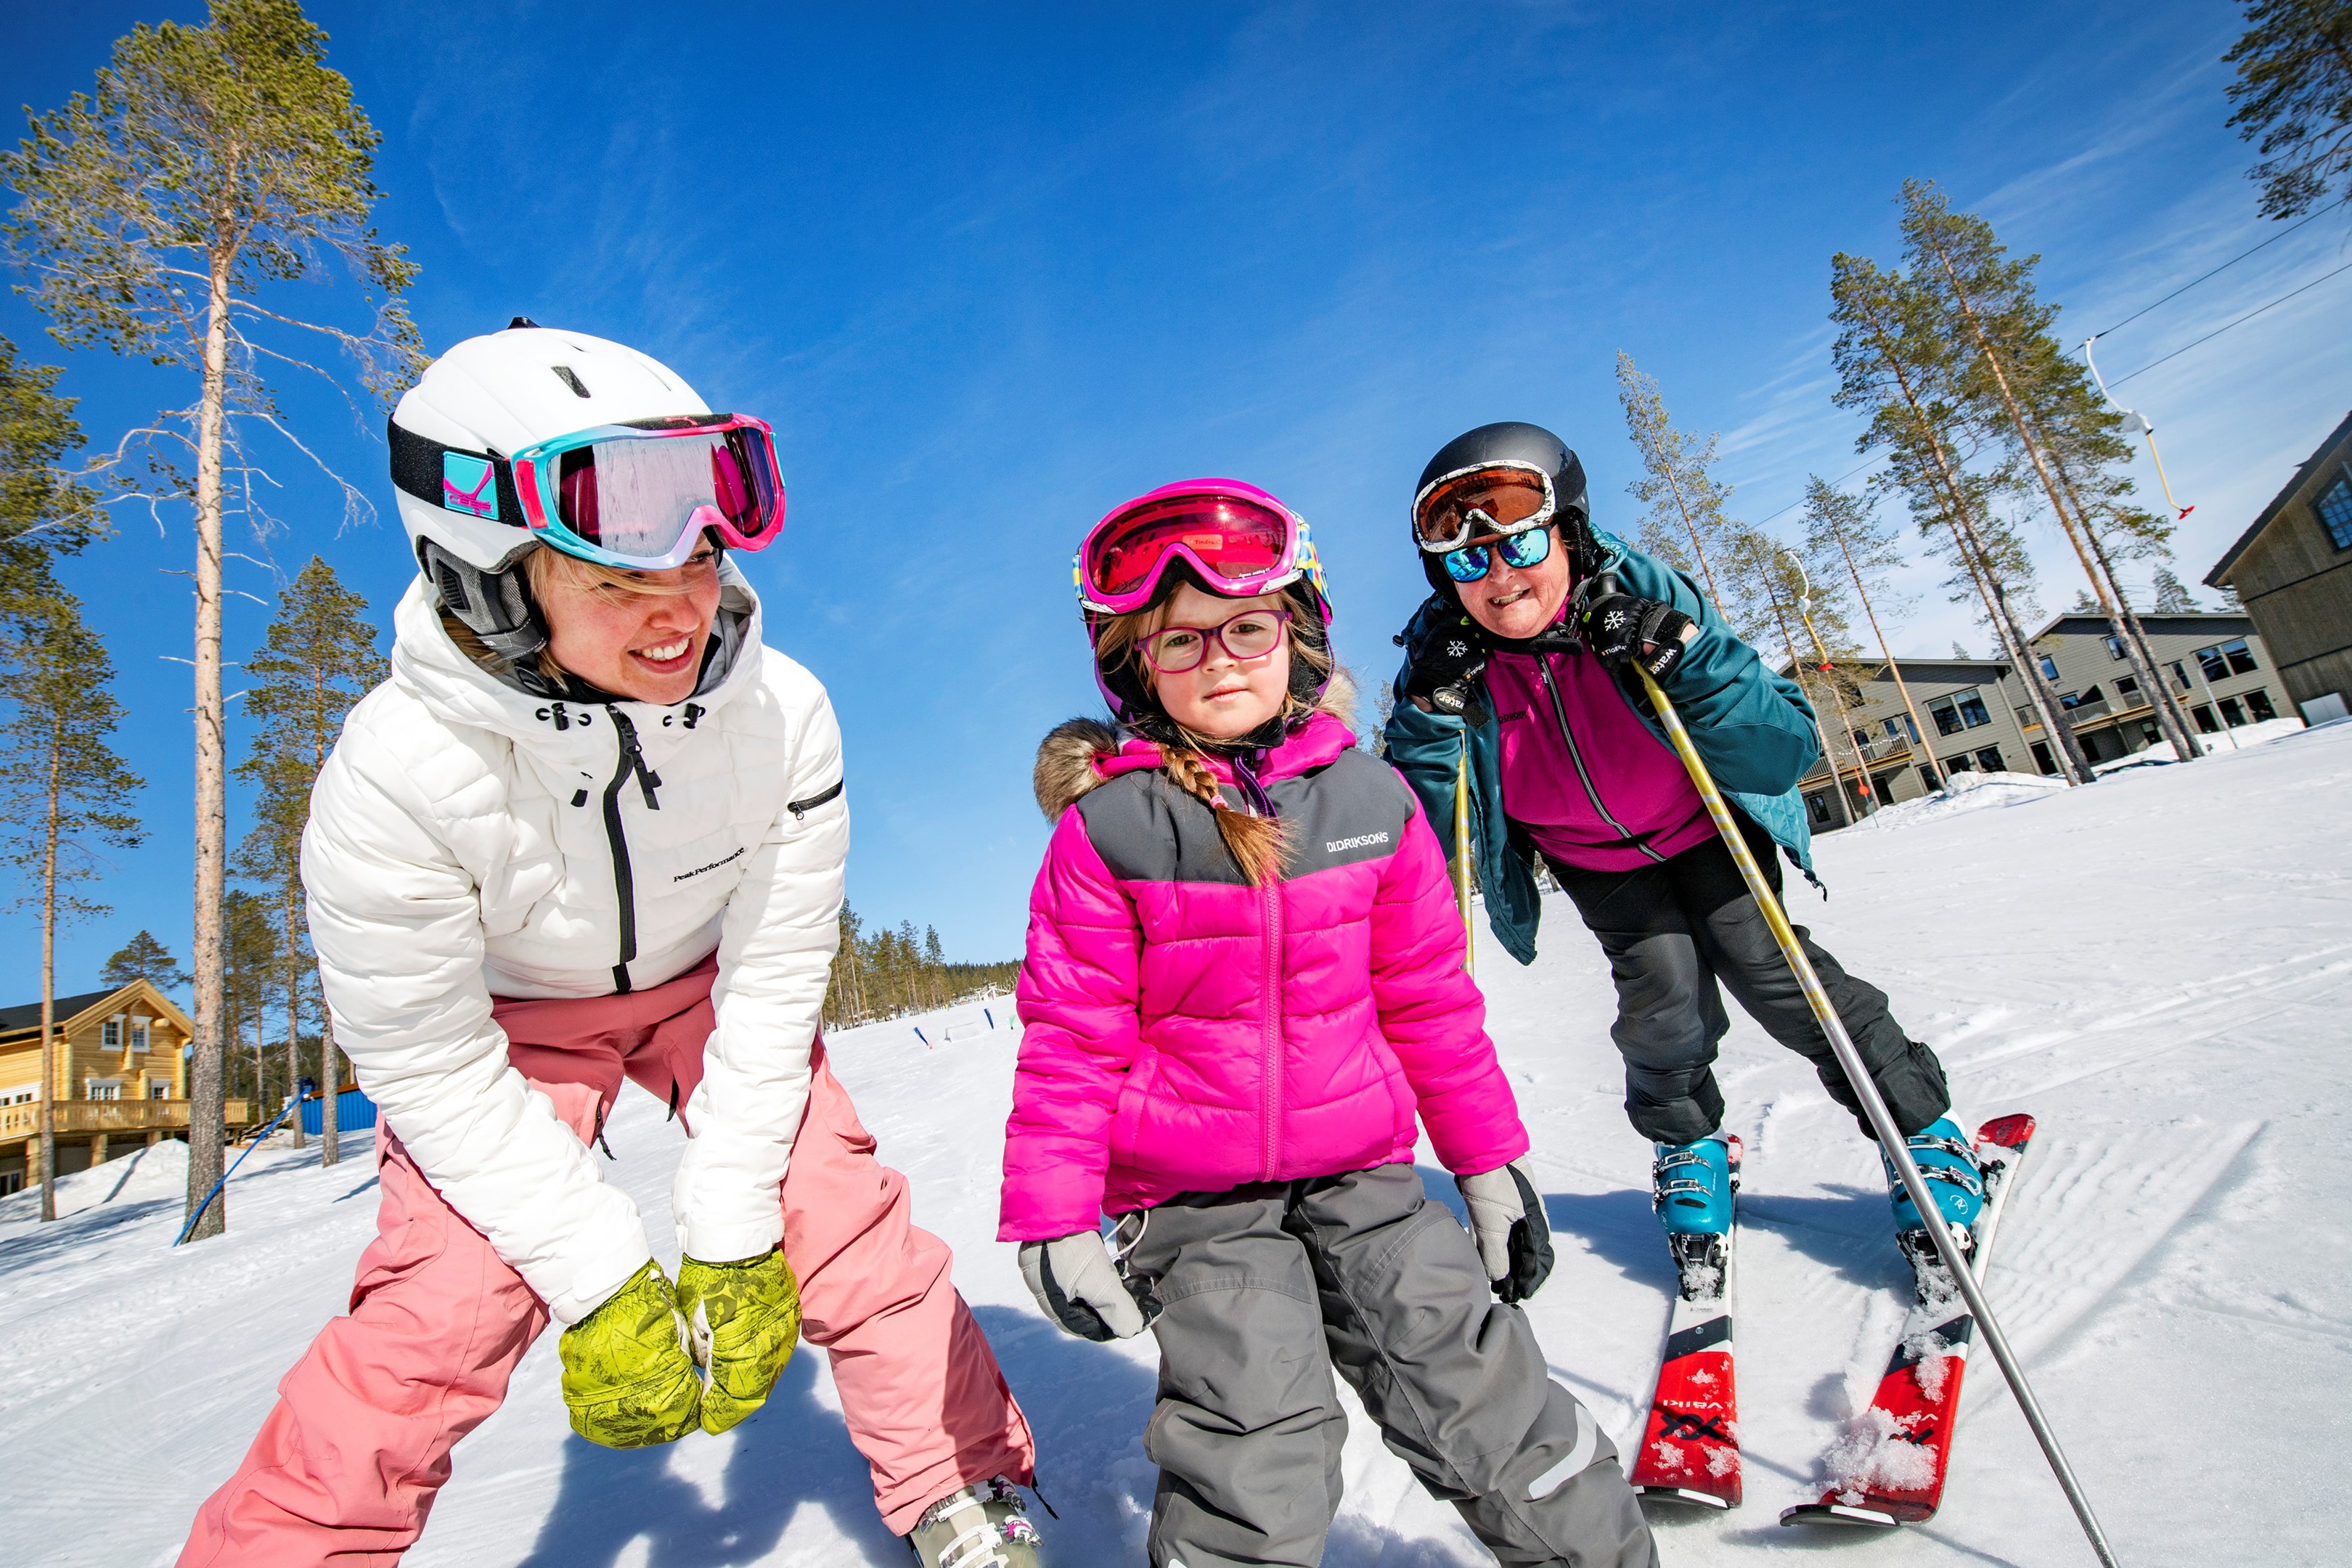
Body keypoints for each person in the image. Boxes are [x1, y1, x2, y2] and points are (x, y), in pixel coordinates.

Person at [179, 323, 1044, 1568]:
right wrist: (598, 1274)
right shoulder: (395, 779)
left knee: (840, 1216)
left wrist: (736, 1224)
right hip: (510, 1031)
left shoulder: (782, 715)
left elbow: (776, 973)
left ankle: (959, 1482)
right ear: (491, 583)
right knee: (447, 1305)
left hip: (708, 992)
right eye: (616, 583)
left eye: (699, 558)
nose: (680, 609)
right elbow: (424, 1060)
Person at [1001, 479, 1657, 1568]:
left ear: (1297, 637)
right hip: (1197, 1205)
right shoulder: (1109, 832)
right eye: (1180, 640)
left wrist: (1488, 1160)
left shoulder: (1372, 804)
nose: (1219, 660)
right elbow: (1072, 1036)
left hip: (1367, 1178)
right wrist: (1054, 1216)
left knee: (1482, 1394)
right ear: (1136, 668)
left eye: (1246, 628)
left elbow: (1429, 999)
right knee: (1257, 1439)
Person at [1382, 422, 1984, 1285]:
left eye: (1520, 543)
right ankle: (1689, 1146)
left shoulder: (1639, 600)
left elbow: (1780, 751)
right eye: (1468, 560)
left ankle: (1919, 1128)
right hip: (1596, 861)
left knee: (1775, 975)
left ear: (1568, 533)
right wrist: (1428, 717)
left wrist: (1686, 655)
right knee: (1661, 1007)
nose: (1500, 575)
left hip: (1703, 827)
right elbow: (1435, 842)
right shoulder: (1449, 666)